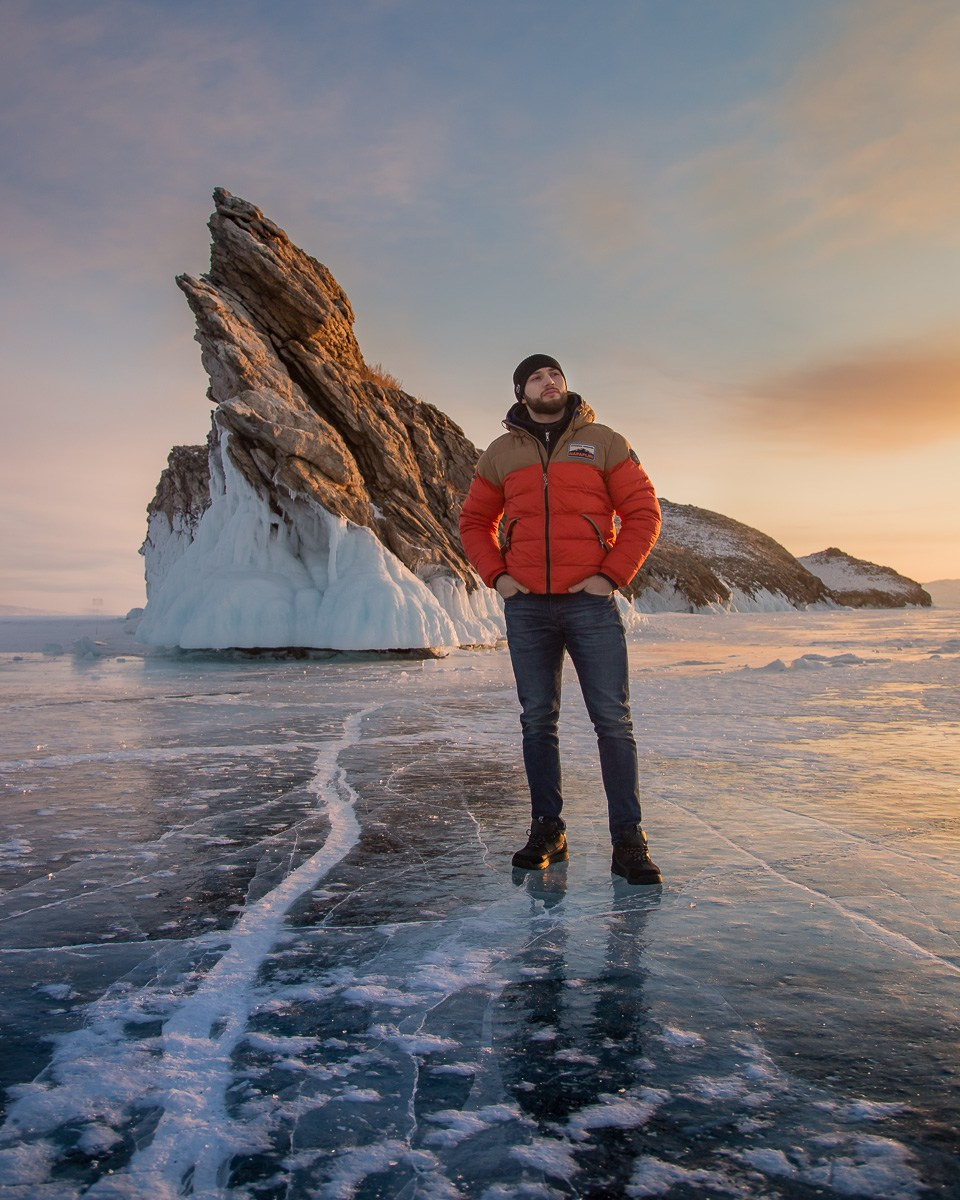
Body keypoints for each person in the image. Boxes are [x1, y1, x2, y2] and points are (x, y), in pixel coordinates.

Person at [459, 354, 663, 885]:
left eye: (555, 374)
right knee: (537, 722)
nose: (549, 382)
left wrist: (612, 575)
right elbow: (475, 521)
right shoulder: (501, 454)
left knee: (612, 722)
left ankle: (628, 840)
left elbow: (643, 512)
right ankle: (548, 830)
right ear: (521, 392)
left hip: (589, 601)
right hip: (527, 606)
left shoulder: (603, 442)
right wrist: (498, 577)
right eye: (536, 377)